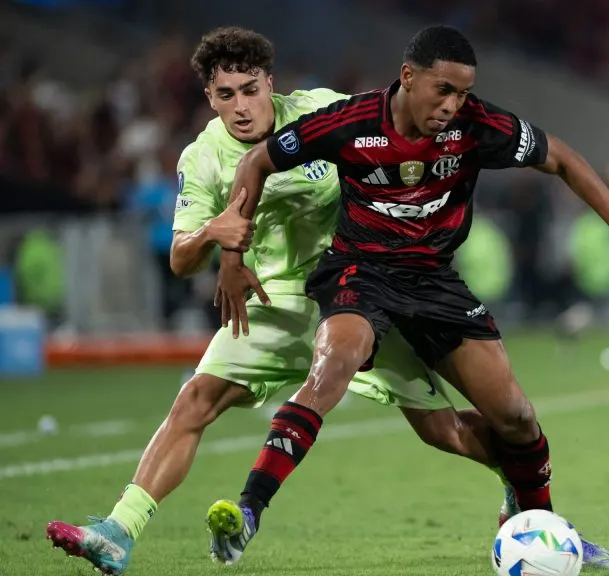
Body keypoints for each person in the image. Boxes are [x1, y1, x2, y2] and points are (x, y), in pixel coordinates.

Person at [43, 26, 522, 576]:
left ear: (271, 82)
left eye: (250, 89)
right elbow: (180, 257)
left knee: (442, 430)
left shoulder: (319, 111)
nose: (242, 107)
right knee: (195, 400)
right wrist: (212, 238)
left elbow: (393, 125)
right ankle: (118, 531)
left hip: (360, 293)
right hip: (270, 301)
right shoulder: (203, 157)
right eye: (226, 95)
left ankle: (517, 477)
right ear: (209, 97)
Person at [210, 24, 609, 569]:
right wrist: (232, 259)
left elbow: (562, 158)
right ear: (408, 77)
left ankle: (539, 528)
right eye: (443, 90)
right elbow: (256, 161)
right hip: (361, 273)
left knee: (516, 418)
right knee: (332, 368)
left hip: (435, 283)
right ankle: (250, 511)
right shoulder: (351, 123)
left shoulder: (476, 126)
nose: (454, 104)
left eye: (463, 93)